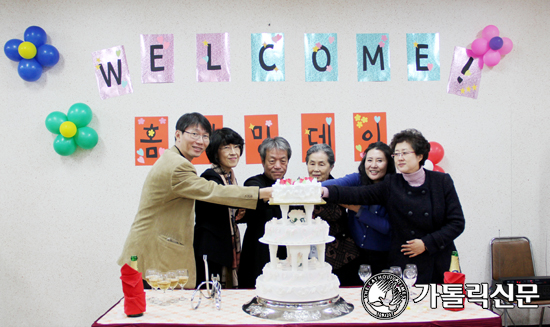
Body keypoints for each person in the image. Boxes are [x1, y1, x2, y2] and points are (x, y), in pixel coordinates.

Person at [118, 113, 271, 289]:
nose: (200, 141)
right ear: (178, 135)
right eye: (194, 134)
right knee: (157, 312)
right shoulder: (178, 166)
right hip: (153, 254)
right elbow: (213, 191)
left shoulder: (174, 159)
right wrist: (260, 193)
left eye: (205, 136)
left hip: (152, 252)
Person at [322, 129, 465, 284]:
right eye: (396, 154)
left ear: (419, 155)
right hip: (405, 263)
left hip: (438, 258)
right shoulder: (392, 184)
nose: (399, 158)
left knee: (440, 306)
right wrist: (324, 191)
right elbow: (359, 194)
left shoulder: (441, 181)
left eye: (404, 153)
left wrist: (426, 244)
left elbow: (457, 223)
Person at [322, 142, 395, 280]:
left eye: (379, 160)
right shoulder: (357, 179)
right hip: (355, 255)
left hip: (383, 257)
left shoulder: (393, 187)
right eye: (369, 160)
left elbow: (387, 227)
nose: (373, 165)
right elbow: (335, 184)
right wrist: (308, 187)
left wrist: (357, 209)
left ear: (388, 164)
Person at [194, 128, 247, 288]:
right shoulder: (209, 178)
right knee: (211, 292)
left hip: (227, 245)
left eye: (236, 147)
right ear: (215, 152)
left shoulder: (230, 177)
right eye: (226, 147)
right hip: (211, 248)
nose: (233, 152)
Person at [238, 137, 291, 288]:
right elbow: (256, 195)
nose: (278, 166)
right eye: (272, 161)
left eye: (283, 160)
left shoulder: (292, 187)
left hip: (285, 253)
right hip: (257, 253)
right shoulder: (253, 183)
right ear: (263, 162)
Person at [305, 143, 361, 286]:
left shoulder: (340, 189)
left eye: (321, 164)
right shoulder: (300, 190)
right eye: (312, 163)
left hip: (341, 258)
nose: (316, 169)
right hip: (308, 260)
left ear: (331, 167)